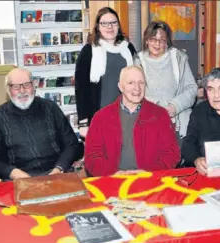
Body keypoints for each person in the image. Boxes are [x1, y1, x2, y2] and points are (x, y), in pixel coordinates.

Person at [0, 68, 83, 182]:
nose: (22, 91)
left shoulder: (51, 108)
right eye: (16, 87)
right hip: (17, 179)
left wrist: (59, 168)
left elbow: (71, 144)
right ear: (8, 90)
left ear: (34, 85)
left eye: (26, 85)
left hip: (56, 173)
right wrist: (12, 172)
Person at [84, 66, 181, 177]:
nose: (137, 88)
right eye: (131, 83)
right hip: (112, 182)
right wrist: (113, 174)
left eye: (141, 83)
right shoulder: (101, 117)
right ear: (120, 87)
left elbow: (171, 154)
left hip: (150, 182)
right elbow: (92, 157)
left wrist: (149, 173)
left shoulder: (160, 115)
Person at [75, 7, 137, 138]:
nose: (110, 27)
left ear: (118, 25)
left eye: (113, 22)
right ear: (98, 26)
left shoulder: (128, 48)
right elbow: (81, 90)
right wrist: (83, 123)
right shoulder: (89, 51)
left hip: (127, 115)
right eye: (104, 23)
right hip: (100, 116)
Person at [136, 21, 197, 144]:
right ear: (146, 40)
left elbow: (192, 88)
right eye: (153, 39)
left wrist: (175, 106)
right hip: (149, 125)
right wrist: (158, 107)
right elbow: (135, 92)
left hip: (178, 127)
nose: (157, 44)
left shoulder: (179, 58)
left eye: (162, 40)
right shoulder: (138, 61)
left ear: (167, 42)